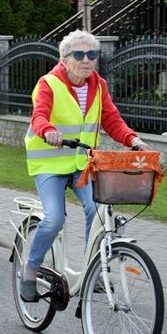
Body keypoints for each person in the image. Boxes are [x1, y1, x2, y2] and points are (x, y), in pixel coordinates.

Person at [20, 30, 148, 301]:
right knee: (53, 219)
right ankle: (30, 269)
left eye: (92, 54)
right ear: (64, 59)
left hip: (83, 164)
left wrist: (133, 139)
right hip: (50, 164)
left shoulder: (98, 85)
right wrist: (48, 131)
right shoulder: (48, 83)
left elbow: (111, 119)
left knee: (100, 212)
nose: (86, 60)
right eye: (79, 54)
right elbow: (39, 116)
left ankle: (93, 270)